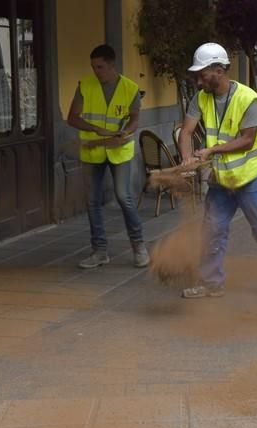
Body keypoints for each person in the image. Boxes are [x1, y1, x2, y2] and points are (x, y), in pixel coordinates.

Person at [177, 42, 257, 301]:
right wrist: (186, 157)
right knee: (212, 231)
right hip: (221, 180)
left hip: (251, 178)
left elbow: (248, 139)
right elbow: (187, 131)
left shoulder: (248, 99)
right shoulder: (200, 98)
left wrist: (212, 152)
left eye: (203, 74)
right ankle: (210, 283)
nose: (199, 81)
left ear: (219, 70)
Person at [67, 44, 150, 269]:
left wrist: (128, 131)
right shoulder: (85, 85)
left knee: (124, 197)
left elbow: (134, 119)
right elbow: (72, 118)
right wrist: (96, 129)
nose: (96, 71)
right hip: (92, 150)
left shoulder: (130, 88)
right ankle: (99, 251)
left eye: (100, 67)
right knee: (92, 200)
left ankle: (139, 246)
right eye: (93, 67)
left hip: (120, 150)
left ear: (112, 65)